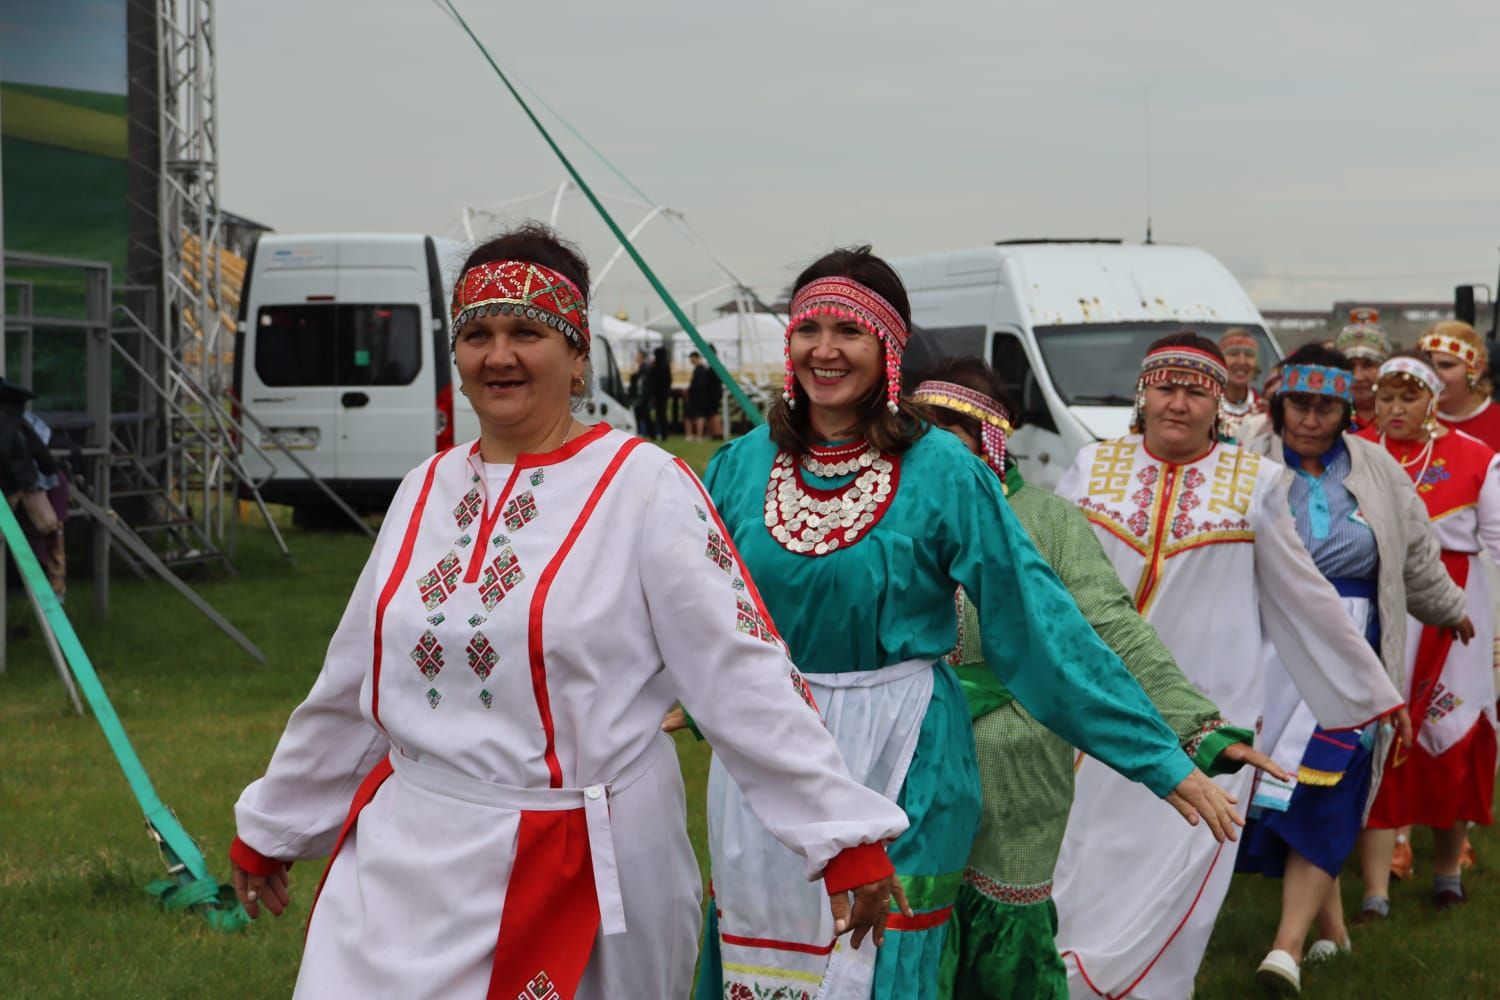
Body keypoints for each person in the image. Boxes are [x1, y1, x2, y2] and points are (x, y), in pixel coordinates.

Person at [228, 224, 909, 999]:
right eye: (478, 333)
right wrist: (275, 825)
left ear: (577, 352)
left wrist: (842, 837)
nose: (499, 355)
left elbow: (739, 670)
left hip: (577, 864)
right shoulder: (424, 489)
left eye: (527, 332)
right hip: (403, 860)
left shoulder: (644, 487)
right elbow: (356, 679)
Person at [692, 247, 1243, 1000]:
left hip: (907, 749)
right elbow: (691, 612)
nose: (825, 349)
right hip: (772, 751)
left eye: (849, 331)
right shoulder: (739, 467)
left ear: (888, 347)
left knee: (889, 965)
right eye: (808, 328)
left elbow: (1042, 625)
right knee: (763, 954)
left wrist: (1158, 755)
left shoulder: (941, 471)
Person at [904, 358, 1283, 1000]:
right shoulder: (890, 513)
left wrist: (1198, 725)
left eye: (955, 427)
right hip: (910, 746)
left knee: (1007, 945)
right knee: (910, 925)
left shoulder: (1049, 523)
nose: (936, 441)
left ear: (992, 436)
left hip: (1019, 762)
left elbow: (1110, 625)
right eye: (922, 425)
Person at [1049, 332, 1406, 1000]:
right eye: (1166, 386)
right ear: (1143, 392)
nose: (1178, 402)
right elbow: (1049, 579)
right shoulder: (1092, 468)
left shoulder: (1256, 481)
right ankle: (1069, 978)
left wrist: (1372, 694)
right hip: (1097, 712)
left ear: (1220, 402)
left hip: (1212, 721)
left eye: (1196, 389)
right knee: (1085, 856)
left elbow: (1304, 596)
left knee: (1178, 863)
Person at [1236, 345, 1468, 994]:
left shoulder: (1376, 470)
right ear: (1280, 404)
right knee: (1280, 786)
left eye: (1326, 407)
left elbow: (1415, 552)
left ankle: (1283, 951)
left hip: (1355, 646)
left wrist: (1450, 608)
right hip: (1268, 645)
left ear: (1346, 411)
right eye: (1299, 404)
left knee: (1328, 782)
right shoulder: (1244, 464)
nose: (1310, 419)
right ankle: (1333, 933)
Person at [1356, 349, 1500, 918]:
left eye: (1408, 397)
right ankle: (1374, 890)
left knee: (1451, 738)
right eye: (1385, 397)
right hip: (1378, 610)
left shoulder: (1475, 458)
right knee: (1375, 739)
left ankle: (1446, 872)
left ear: (1431, 401)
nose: (1394, 408)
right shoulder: (1356, 454)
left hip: (1453, 618)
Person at [1423, 320, 1500, 451]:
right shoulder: (1410, 422)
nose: (1433, 374)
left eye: (1446, 365)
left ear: (1476, 369)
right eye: (1427, 365)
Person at [1334, 319, 1392, 432]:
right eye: (1349, 366)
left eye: (1368, 365)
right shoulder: (1327, 420)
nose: (1357, 377)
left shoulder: (1402, 419)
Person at [1218, 328, 1262, 442]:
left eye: (1249, 354)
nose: (1242, 361)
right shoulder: (1206, 405)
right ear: (1219, 360)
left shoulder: (1264, 408)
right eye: (1233, 354)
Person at [686, 350, 723, 441]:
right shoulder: (713, 367)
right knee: (711, 414)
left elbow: (702, 384)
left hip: (706, 396)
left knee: (708, 415)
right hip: (711, 395)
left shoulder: (706, 368)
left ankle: (715, 434)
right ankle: (714, 434)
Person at [627, 347, 657, 439]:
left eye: (637, 356)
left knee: (644, 417)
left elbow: (644, 385)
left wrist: (642, 397)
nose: (636, 357)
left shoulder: (645, 368)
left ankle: (649, 435)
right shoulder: (642, 368)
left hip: (642, 398)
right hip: (642, 397)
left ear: (641, 357)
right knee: (643, 417)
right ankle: (649, 435)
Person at [648, 345, 673, 439]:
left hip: (657, 394)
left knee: (658, 414)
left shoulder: (656, 366)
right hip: (664, 394)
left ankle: (657, 433)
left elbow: (653, 381)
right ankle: (664, 434)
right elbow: (669, 381)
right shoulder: (666, 366)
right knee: (662, 414)